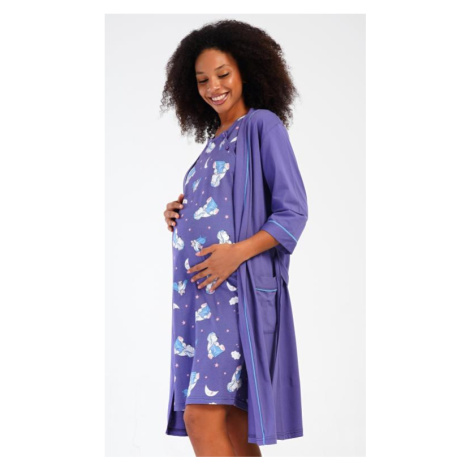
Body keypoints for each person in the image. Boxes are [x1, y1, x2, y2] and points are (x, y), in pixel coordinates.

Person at [161, 19, 308, 457]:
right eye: (202, 80)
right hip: (196, 301)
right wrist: (177, 214)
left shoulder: (262, 126)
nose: (214, 87)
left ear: (246, 70)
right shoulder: (210, 145)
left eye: (223, 74)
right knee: (232, 422)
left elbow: (293, 212)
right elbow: (216, 207)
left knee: (200, 416)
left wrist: (235, 255)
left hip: (235, 297)